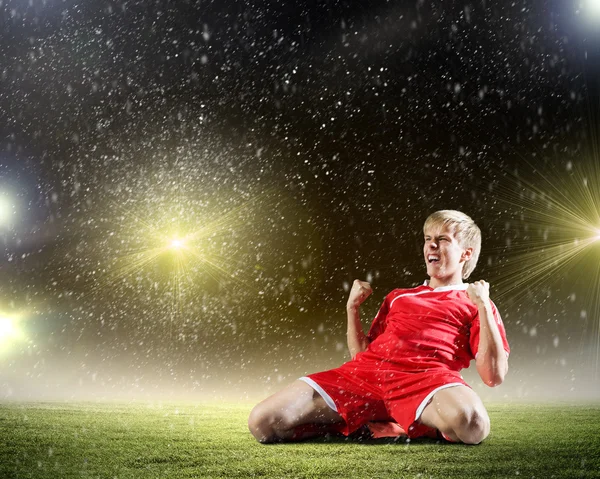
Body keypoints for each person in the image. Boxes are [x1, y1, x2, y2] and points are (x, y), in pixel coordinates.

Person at [248, 210, 510, 445]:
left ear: (466, 253)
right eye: (427, 238)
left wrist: (484, 306)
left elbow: (493, 375)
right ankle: (366, 423)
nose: (431, 244)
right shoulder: (398, 296)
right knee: (262, 423)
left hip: (426, 379)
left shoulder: (475, 301)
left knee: (473, 425)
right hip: (367, 375)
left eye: (442, 239)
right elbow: (361, 355)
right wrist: (352, 309)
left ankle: (406, 425)